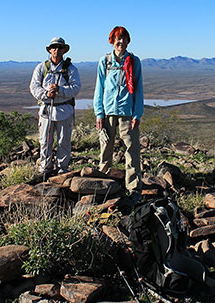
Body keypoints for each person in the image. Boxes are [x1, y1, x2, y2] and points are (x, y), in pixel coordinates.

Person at [93, 26, 144, 203]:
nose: (120, 42)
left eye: (123, 39)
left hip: (127, 113)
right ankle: (102, 183)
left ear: (127, 41)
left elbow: (138, 90)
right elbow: (99, 88)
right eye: (117, 39)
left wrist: (137, 114)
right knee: (105, 148)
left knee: (131, 150)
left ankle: (133, 187)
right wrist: (99, 113)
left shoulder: (134, 61)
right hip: (108, 112)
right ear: (112, 41)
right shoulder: (104, 61)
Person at [30, 37, 81, 175]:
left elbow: (76, 88)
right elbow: (34, 87)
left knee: (63, 140)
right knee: (45, 141)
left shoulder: (70, 69)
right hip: (47, 109)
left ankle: (62, 168)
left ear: (64, 50)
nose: (56, 50)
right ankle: (45, 167)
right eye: (54, 47)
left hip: (64, 109)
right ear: (49, 50)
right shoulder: (42, 68)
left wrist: (60, 90)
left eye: (59, 47)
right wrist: (46, 94)